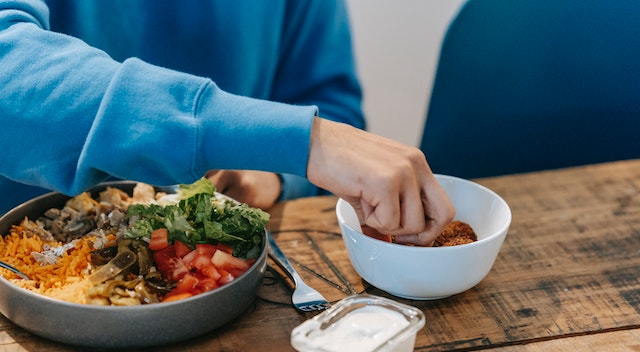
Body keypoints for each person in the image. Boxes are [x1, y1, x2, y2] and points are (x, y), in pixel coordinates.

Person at [0, 0, 454, 246]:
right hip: (29, 270)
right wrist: (302, 142)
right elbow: (10, 70)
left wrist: (273, 172)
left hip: (229, 286)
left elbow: (328, 100)